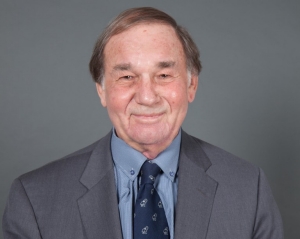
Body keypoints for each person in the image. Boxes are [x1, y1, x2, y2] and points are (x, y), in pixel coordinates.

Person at [2, 7, 283, 239]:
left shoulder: (248, 189)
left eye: (163, 75)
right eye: (126, 77)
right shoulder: (34, 199)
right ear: (101, 90)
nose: (147, 97)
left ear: (191, 85)